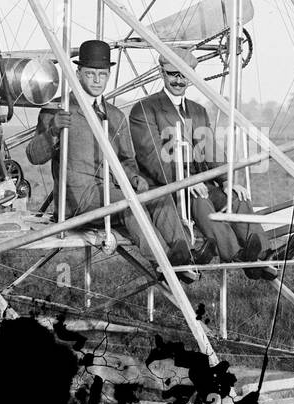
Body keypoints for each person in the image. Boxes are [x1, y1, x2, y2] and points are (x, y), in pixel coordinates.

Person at [26, 39, 198, 277]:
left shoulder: (116, 116)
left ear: (108, 75)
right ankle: (165, 264)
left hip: (111, 195)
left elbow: (126, 161)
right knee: (130, 203)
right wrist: (52, 131)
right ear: (78, 73)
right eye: (90, 74)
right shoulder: (57, 110)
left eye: (102, 74)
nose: (97, 80)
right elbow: (33, 156)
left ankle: (183, 257)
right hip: (77, 201)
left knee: (160, 197)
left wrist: (135, 178)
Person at [128, 48, 294, 280]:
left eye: (184, 75)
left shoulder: (198, 111)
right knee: (200, 199)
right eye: (172, 74)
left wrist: (227, 181)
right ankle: (238, 255)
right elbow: (152, 158)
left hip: (200, 184)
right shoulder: (145, 109)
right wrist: (185, 181)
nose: (179, 80)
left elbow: (210, 151)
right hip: (166, 187)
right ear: (161, 73)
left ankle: (265, 255)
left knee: (237, 198)